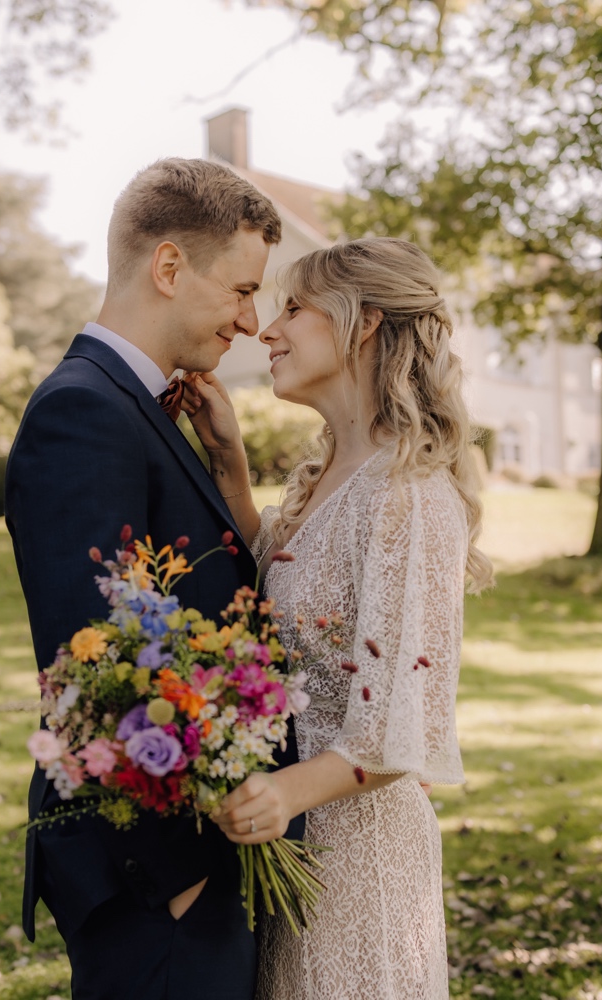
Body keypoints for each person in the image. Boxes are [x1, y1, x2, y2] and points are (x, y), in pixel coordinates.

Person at [3, 157, 286, 1000]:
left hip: (197, 848)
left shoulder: (139, 406)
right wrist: (176, 877)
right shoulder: (82, 411)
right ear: (169, 267)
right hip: (156, 870)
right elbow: (88, 654)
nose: (250, 318)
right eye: (240, 289)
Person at [182, 237, 494, 999]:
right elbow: (292, 598)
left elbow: (402, 727)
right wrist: (230, 464)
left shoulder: (410, 495)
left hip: (361, 863)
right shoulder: (332, 477)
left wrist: (285, 794)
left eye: (294, 308)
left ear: (363, 323)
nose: (266, 329)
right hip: (297, 846)